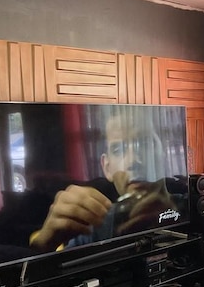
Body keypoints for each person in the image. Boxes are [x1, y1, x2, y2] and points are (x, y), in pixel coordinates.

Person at [30, 106, 179, 252]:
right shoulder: (97, 225)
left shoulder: (189, 209)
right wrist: (44, 244)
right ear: (107, 168)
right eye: (118, 149)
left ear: (163, 153)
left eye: (145, 143)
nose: (133, 160)